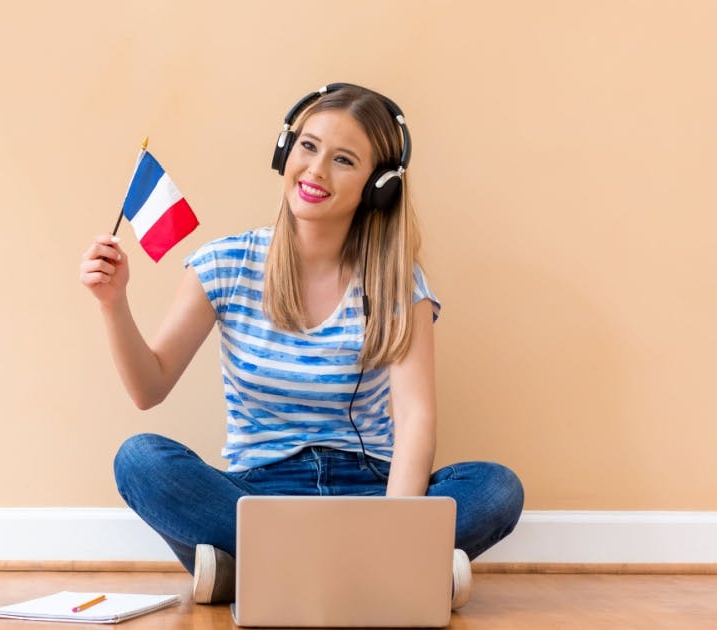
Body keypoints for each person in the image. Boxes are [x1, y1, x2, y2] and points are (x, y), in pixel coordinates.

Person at [78, 83, 524, 608]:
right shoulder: (225, 264)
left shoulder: (399, 282)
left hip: (372, 493)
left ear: (378, 186)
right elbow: (148, 388)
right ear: (285, 151)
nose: (315, 171)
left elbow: (415, 420)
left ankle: (254, 573)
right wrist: (113, 302)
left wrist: (398, 522)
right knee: (140, 459)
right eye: (308, 147)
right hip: (257, 498)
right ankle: (387, 575)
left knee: (496, 488)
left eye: (343, 160)